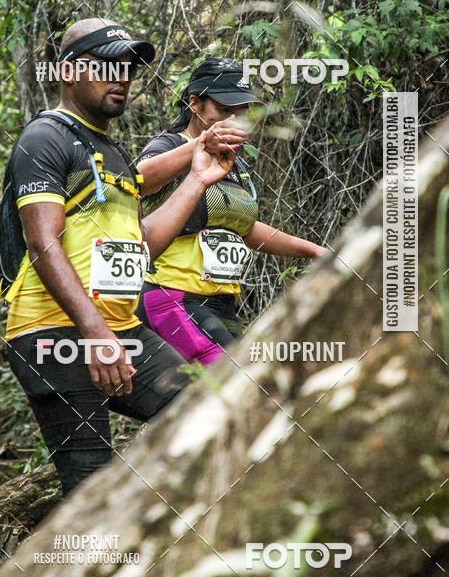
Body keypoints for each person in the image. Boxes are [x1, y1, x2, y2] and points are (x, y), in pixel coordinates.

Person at [2, 20, 235, 495]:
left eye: (127, 66)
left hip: (120, 328)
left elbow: (140, 246)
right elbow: (43, 243)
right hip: (54, 331)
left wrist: (196, 180)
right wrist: (94, 333)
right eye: (107, 64)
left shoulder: (112, 153)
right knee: (89, 486)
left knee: (204, 406)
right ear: (69, 71)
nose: (121, 76)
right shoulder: (46, 138)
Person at [136, 57, 325, 365]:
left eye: (241, 112)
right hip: (173, 296)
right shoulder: (173, 145)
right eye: (224, 111)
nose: (233, 120)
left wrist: (315, 251)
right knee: (242, 385)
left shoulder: (232, 161)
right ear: (195, 104)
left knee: (214, 397)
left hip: (221, 304)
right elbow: (139, 179)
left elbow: (246, 228)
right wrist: (200, 145)